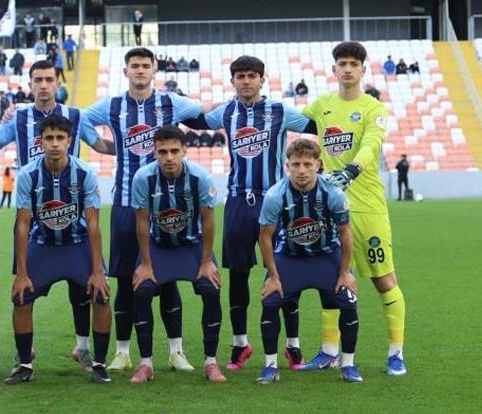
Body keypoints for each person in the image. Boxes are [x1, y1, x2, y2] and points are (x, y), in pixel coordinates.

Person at [0, 61, 115, 369]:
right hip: (33, 214)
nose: (44, 85)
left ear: (57, 82)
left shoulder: (75, 116)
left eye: (49, 79)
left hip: (72, 212)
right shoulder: (19, 117)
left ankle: (82, 348)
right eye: (38, 80)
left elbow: (100, 144)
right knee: (25, 289)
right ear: (30, 84)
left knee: (82, 289)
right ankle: (26, 352)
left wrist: (141, 147)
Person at [186, 55, 316, 371]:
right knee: (238, 274)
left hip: (276, 201)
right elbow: (197, 121)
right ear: (232, 81)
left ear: (262, 79)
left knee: (284, 270)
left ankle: (293, 345)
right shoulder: (226, 112)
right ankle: (240, 344)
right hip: (237, 202)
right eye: (240, 76)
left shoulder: (279, 111)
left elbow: (315, 126)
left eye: (251, 76)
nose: (246, 81)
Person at [84, 47, 206, 372]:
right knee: (125, 280)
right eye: (134, 65)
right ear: (125, 71)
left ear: (154, 69)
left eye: (145, 65)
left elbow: (206, 113)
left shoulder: (171, 103)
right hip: (125, 203)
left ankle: (176, 352)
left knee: (167, 279)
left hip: (164, 206)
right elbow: (79, 120)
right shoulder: (111, 106)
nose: (140, 70)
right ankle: (123, 352)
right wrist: (104, 146)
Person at [301, 41, 407, 376]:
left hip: (368, 207)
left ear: (363, 69)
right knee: (330, 280)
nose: (347, 69)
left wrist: (351, 170)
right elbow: (292, 126)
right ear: (334, 69)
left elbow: (370, 145)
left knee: (384, 279)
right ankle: (329, 352)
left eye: (353, 64)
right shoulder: (321, 106)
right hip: (331, 209)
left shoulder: (374, 108)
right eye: (342, 63)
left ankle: (396, 354)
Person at [5, 115, 112, 385]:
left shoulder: (85, 173)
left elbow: (94, 224)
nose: (54, 144)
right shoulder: (28, 174)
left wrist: (97, 271)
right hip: (43, 245)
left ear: (69, 141)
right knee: (21, 298)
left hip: (78, 245)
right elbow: (22, 224)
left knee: (101, 295)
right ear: (40, 142)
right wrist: (21, 273)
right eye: (49, 138)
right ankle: (24, 364)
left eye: (60, 138)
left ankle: (99, 364)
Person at [256, 138, 362, 384]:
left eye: (307, 164)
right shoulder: (275, 195)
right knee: (270, 301)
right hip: (290, 257)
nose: (301, 170)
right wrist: (273, 276)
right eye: (296, 165)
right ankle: (270, 367)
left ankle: (348, 365)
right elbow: (265, 237)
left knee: (348, 302)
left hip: (326, 255)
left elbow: (346, 234)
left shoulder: (333, 193)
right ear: (287, 166)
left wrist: (345, 272)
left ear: (318, 165)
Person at [129, 125, 225, 383]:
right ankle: (146, 363)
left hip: (192, 245)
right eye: (163, 152)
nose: (169, 157)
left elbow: (209, 221)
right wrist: (146, 264)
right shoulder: (143, 178)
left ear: (184, 150)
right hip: (158, 246)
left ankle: (211, 362)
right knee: (142, 290)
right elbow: (141, 222)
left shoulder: (200, 177)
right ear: (154, 153)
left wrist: (206, 261)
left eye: (174, 151)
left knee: (211, 289)